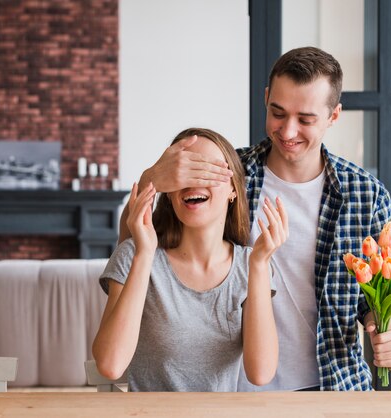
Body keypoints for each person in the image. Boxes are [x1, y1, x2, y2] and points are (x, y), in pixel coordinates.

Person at [118, 47, 391, 391]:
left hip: (334, 387)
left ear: (334, 115)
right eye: (278, 112)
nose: (287, 130)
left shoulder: (366, 194)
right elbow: (135, 244)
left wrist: (388, 329)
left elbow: (375, 299)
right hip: (235, 390)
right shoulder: (228, 173)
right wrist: (153, 177)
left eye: (306, 119)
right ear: (267, 98)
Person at [92, 127, 289, 391]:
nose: (194, 181)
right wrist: (144, 253)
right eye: (183, 172)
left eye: (208, 170)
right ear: (170, 192)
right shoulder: (135, 254)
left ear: (234, 189)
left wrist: (259, 265)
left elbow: (261, 373)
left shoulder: (250, 264)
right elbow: (110, 365)